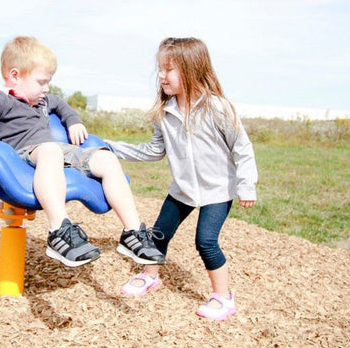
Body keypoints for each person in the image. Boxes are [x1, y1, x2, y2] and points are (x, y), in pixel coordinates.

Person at [0, 36, 164, 269]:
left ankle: (132, 232)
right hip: (21, 157)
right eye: (41, 82)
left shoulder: (42, 100)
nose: (46, 88)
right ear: (15, 76)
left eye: (48, 82)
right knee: (51, 151)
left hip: (55, 152)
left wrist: (73, 121)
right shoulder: (0, 100)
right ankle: (58, 230)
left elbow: (62, 105)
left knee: (106, 157)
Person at [106, 37, 258, 321]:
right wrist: (110, 147)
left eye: (169, 69)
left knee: (206, 242)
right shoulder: (164, 113)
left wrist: (246, 185)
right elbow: (153, 151)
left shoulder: (217, 108)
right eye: (160, 69)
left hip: (218, 191)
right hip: (182, 190)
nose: (161, 76)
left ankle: (223, 297)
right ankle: (150, 276)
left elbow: (242, 148)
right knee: (158, 234)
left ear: (191, 69)